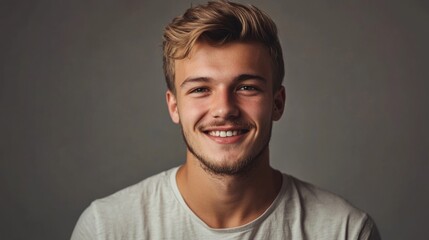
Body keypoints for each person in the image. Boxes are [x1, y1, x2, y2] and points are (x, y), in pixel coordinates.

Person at [71, 1, 380, 239]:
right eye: (200, 89)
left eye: (246, 87)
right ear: (174, 106)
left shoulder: (345, 231)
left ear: (277, 103)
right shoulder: (106, 228)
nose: (224, 109)